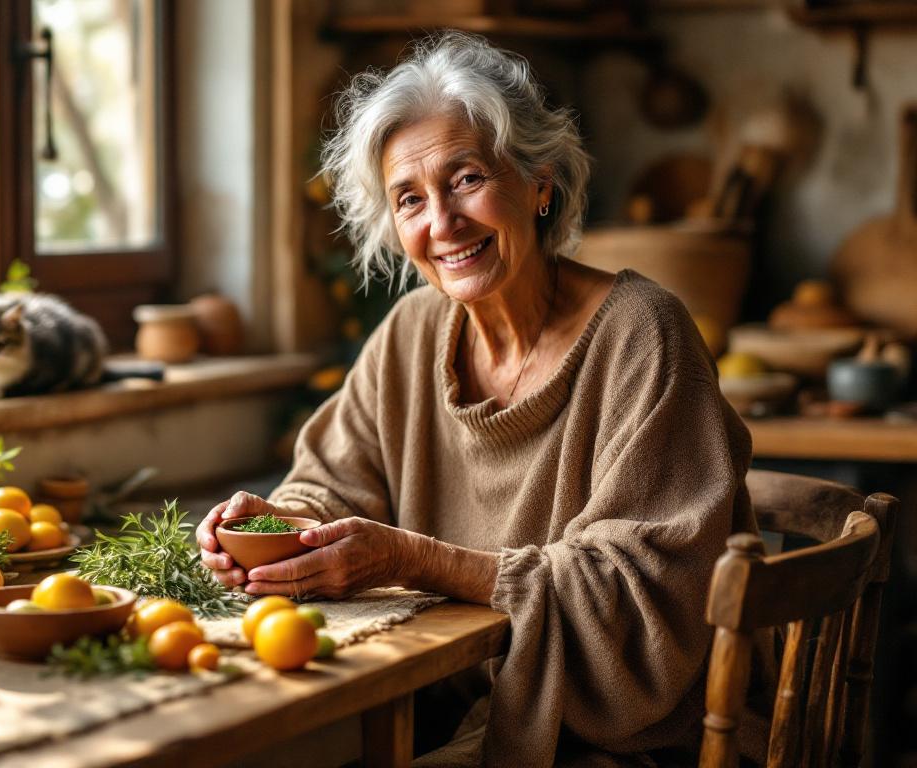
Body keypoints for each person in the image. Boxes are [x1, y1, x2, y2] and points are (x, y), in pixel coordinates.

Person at [196, 32, 755, 767]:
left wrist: (412, 558)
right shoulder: (411, 332)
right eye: (409, 199)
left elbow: (640, 600)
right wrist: (283, 530)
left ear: (539, 182)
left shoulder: (642, 333)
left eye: (465, 179)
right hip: (437, 714)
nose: (442, 223)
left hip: (604, 746)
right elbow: (330, 484)